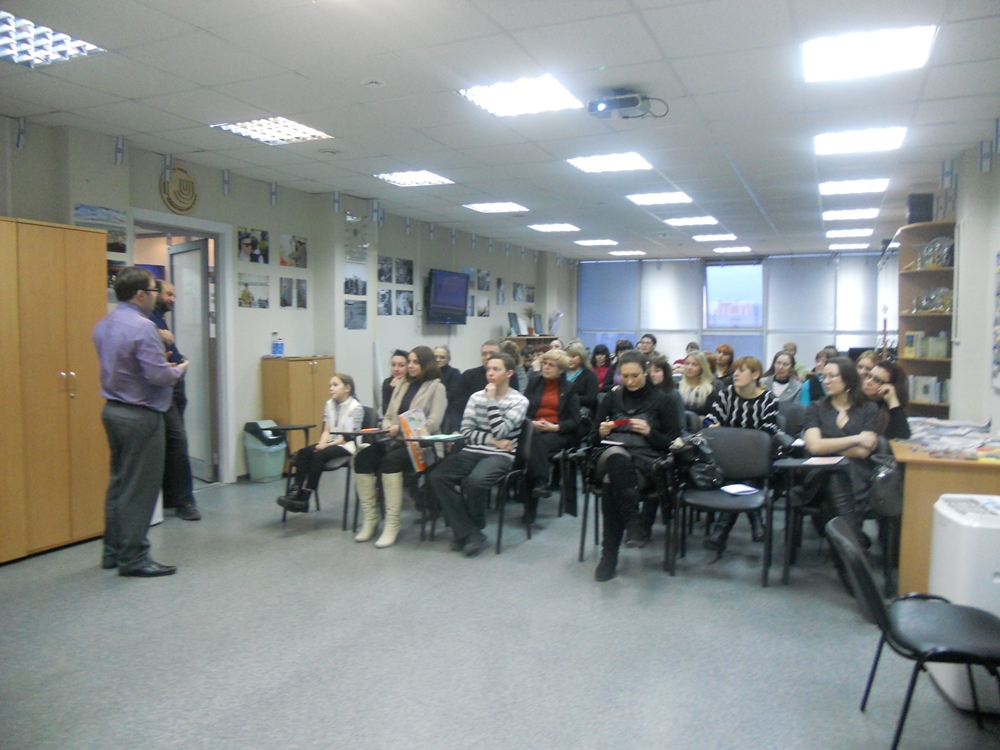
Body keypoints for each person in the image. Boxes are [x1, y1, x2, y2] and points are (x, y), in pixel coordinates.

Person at [93, 267, 188, 577]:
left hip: (113, 411)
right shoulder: (145, 327)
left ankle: (113, 552)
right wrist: (179, 369)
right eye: (154, 290)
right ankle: (134, 558)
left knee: (120, 484)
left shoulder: (104, 324)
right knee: (140, 489)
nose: (158, 296)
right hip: (141, 416)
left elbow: (127, 367)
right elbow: (159, 376)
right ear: (141, 294)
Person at [591, 351, 681, 582]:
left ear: (646, 372)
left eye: (635, 376)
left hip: (644, 462)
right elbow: (591, 439)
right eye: (625, 376)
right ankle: (633, 522)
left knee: (611, 483)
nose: (630, 381)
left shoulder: (663, 400)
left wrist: (650, 432)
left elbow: (673, 443)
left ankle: (609, 555)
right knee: (615, 456)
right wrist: (601, 432)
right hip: (609, 454)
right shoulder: (611, 398)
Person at [429, 352, 528, 557]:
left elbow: (501, 431)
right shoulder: (475, 397)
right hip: (473, 451)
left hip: (501, 456)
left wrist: (491, 400)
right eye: (488, 369)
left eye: (496, 369)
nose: (490, 373)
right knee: (437, 476)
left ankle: (467, 532)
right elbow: (466, 432)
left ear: (509, 373)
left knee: (475, 481)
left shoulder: (519, 401)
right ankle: (470, 532)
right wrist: (492, 440)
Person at [355, 346, 446, 548]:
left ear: (426, 364)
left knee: (390, 462)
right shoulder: (403, 384)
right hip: (395, 440)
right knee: (362, 458)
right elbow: (388, 416)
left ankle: (392, 523)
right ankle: (371, 518)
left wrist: (402, 429)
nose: (411, 366)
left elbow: (433, 422)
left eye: (415, 362)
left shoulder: (436, 387)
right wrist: (391, 428)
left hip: (423, 446)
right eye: (410, 362)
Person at [801, 356, 879, 557]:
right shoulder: (816, 408)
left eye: (832, 376)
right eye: (823, 377)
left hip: (857, 475)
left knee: (839, 478)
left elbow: (863, 451)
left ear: (848, 378)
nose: (826, 381)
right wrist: (857, 438)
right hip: (819, 477)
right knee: (835, 475)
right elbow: (814, 447)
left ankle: (850, 553)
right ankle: (857, 546)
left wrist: (828, 446)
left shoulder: (868, 408)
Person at [703, 357, 780, 554]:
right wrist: (712, 426)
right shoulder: (726, 394)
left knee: (746, 474)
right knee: (742, 476)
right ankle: (756, 521)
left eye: (742, 371)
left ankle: (720, 533)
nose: (735, 374)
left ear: (755, 375)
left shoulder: (768, 399)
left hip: (756, 459)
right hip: (726, 457)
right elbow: (710, 419)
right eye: (735, 370)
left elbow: (768, 432)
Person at [149, 280, 201, 521]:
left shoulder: (159, 317)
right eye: (168, 294)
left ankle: (171, 496)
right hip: (164, 389)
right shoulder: (147, 319)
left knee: (173, 443)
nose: (173, 299)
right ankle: (185, 501)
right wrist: (157, 333)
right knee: (178, 442)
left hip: (175, 385)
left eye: (174, 295)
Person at [277, 374, 365, 512]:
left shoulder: (354, 407)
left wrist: (326, 446)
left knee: (319, 455)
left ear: (347, 388)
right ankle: (296, 491)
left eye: (335, 385)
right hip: (330, 441)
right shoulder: (329, 404)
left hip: (346, 445)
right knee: (303, 453)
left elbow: (347, 437)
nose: (331, 388)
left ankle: (306, 497)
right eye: (330, 386)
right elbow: (326, 430)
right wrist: (321, 444)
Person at [522, 349, 581, 524]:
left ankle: (530, 508)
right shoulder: (534, 382)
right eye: (544, 363)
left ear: (561, 370)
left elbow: (575, 420)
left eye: (551, 365)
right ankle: (540, 482)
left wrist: (554, 427)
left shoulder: (569, 388)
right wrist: (532, 423)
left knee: (532, 448)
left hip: (557, 432)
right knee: (533, 443)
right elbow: (523, 409)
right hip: (534, 429)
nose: (546, 367)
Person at [457, 340, 520, 412]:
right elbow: (458, 406)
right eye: (484, 354)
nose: (488, 357)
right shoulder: (468, 375)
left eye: (492, 353)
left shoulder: (509, 376)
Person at [863, 360, 911, 439]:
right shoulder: (855, 401)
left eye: (877, 380)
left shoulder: (887, 412)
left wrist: (892, 400)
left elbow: (902, 437)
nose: (868, 382)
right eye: (869, 376)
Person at [678, 351, 719, 418]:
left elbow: (713, 416)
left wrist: (705, 422)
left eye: (694, 364)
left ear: (701, 367)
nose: (689, 367)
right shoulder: (677, 387)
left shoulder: (710, 390)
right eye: (687, 364)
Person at [648, 354, 685, 429]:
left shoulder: (673, 394)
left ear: (665, 373)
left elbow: (680, 424)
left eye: (657, 371)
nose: (652, 375)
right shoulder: (646, 393)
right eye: (650, 371)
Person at [564, 342, 599, 414]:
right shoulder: (561, 374)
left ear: (581, 358)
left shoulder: (590, 375)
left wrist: (568, 398)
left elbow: (590, 399)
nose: (570, 359)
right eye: (567, 356)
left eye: (573, 356)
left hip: (581, 412)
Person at [435, 346, 463, 432]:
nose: (438, 360)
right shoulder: (427, 374)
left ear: (448, 359)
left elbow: (453, 393)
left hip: (448, 412)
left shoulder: (454, 373)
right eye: (435, 357)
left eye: (442, 357)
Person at [381, 349, 408, 417]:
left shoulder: (413, 384)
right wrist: (392, 390)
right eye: (393, 365)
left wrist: (398, 388)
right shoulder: (387, 382)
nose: (396, 369)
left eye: (401, 365)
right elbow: (385, 411)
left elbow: (406, 410)